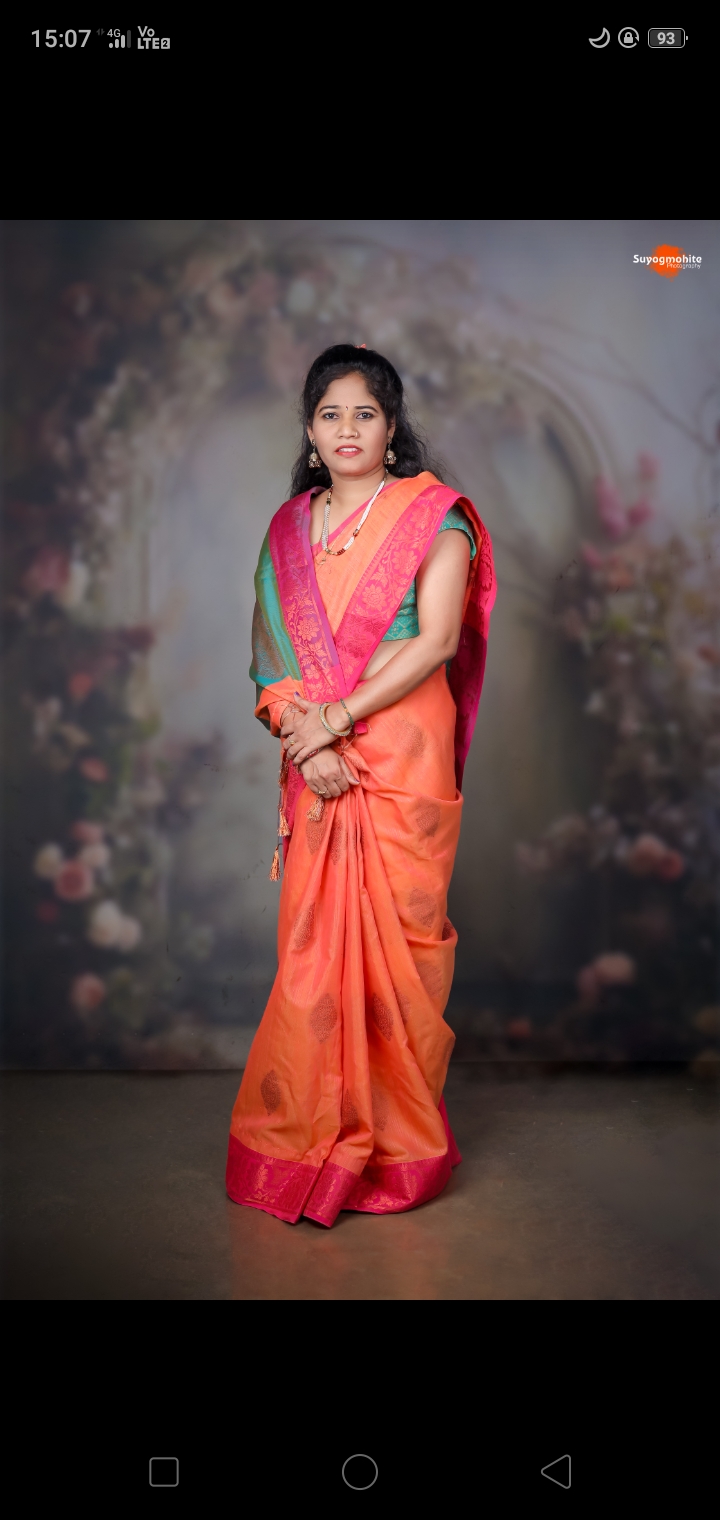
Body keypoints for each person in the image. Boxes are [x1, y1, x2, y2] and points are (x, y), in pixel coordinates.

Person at [226, 344, 496, 1226]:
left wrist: (335, 719)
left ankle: (396, 1147)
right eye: (330, 414)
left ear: (392, 427)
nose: (347, 429)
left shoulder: (436, 517)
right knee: (313, 959)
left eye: (365, 413)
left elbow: (436, 641)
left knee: (401, 954)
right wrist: (306, 745)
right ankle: (304, 1138)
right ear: (309, 432)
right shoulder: (286, 531)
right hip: (317, 762)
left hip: (402, 755)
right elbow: (270, 661)